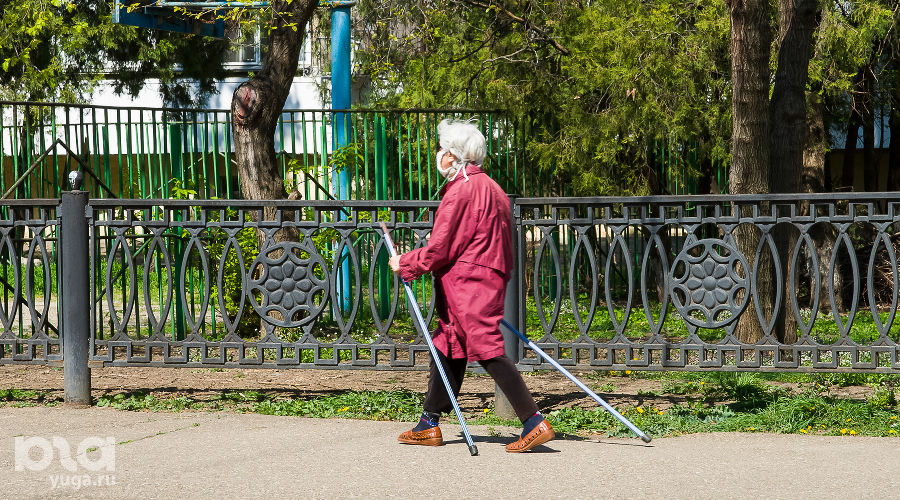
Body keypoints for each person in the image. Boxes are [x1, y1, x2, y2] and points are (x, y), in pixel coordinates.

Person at [388, 118, 554, 453]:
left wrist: (404, 262)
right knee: (449, 344)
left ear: (452, 154)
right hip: (484, 277)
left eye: (441, 149)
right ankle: (428, 423)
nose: (438, 154)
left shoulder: (462, 190)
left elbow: (440, 248)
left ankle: (534, 422)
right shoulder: (491, 187)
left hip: (468, 281)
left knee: (486, 349)